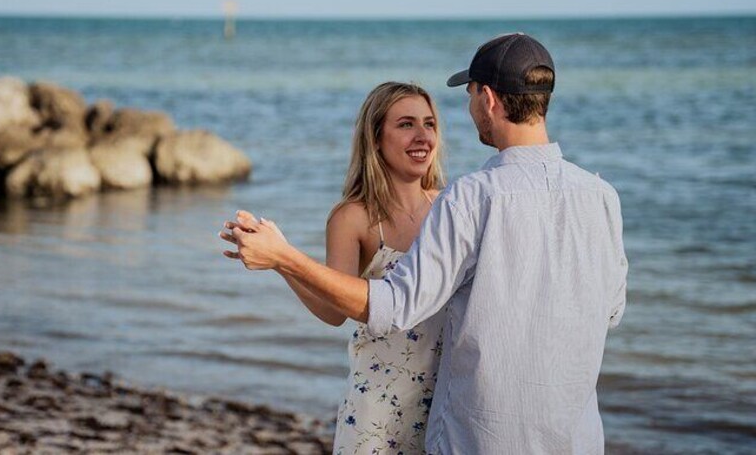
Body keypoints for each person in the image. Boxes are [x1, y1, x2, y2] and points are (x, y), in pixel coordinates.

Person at [223, 33, 628, 454]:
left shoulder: (470, 197)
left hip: (481, 437)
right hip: (573, 439)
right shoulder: (602, 196)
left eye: (470, 95)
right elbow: (610, 310)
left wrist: (284, 257)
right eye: (406, 124)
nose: (465, 112)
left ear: (488, 99)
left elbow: (394, 306)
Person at [223, 82, 447, 453]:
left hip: (444, 405)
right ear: (375, 138)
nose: (422, 136)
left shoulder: (450, 207)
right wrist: (282, 262)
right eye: (406, 124)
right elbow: (332, 312)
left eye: (430, 124)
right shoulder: (355, 218)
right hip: (377, 412)